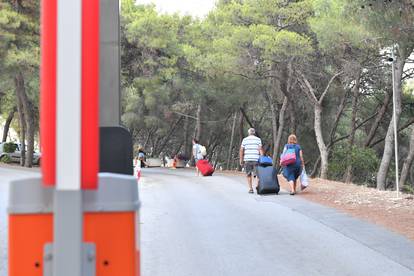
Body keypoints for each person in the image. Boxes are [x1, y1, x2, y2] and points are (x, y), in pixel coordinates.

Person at [239, 128, 264, 194]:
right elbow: (260, 149)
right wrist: (262, 158)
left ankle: (250, 189)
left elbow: (241, 150)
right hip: (256, 159)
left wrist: (241, 159)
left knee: (248, 174)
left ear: (249, 133)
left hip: (247, 159)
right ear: (254, 133)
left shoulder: (245, 140)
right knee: (258, 174)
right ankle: (257, 186)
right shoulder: (258, 139)